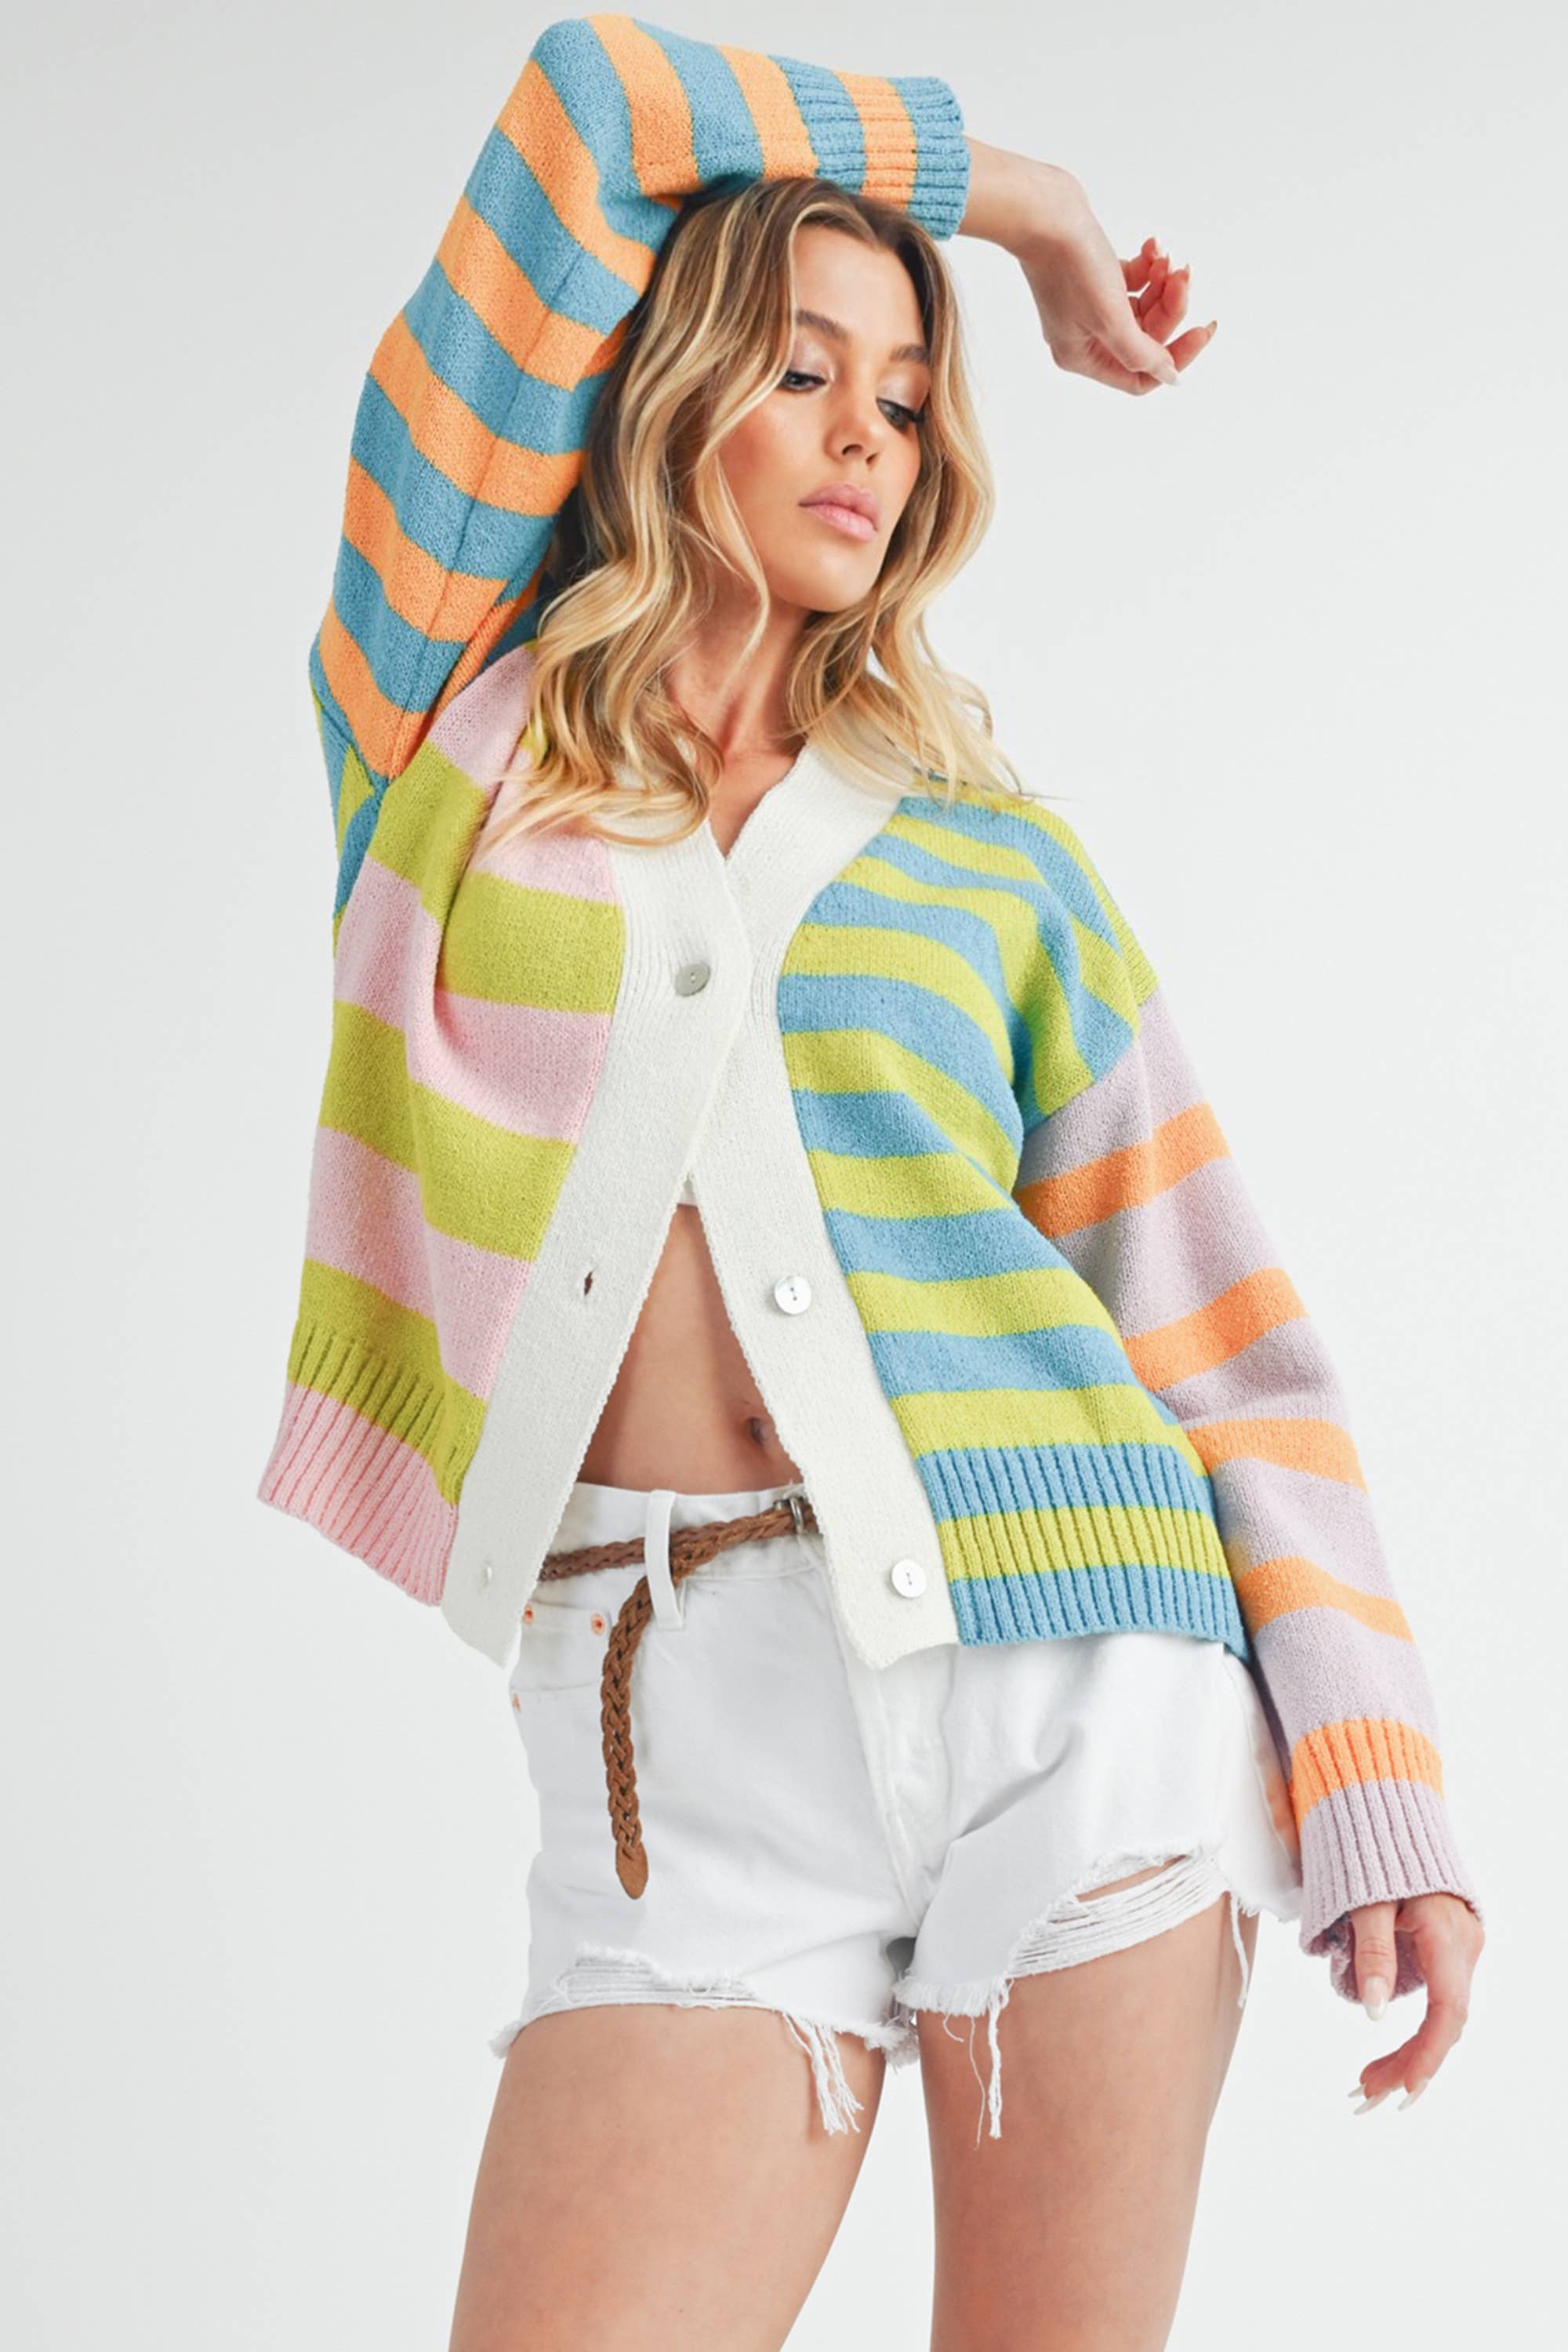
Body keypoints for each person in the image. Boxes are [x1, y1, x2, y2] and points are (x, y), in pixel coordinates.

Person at [256, 16, 1485, 2346]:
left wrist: (1374, 1771)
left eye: (907, 401)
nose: (862, 434)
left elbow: (1222, 1337)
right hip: (671, 1741)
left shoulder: (992, 863)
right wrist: (1019, 207)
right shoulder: (440, 729)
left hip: (1083, 1687)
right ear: (662, 389)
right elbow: (594, 104)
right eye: (805, 369)